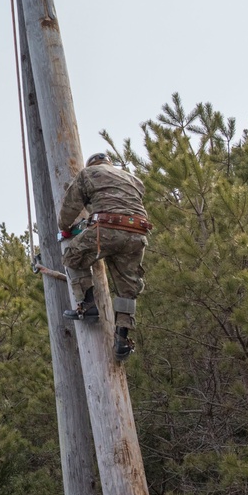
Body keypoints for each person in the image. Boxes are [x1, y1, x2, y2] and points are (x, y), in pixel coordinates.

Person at [59, 152, 151, 361]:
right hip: (138, 232)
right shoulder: (133, 179)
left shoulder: (88, 174)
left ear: (93, 164)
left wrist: (65, 227)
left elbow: (69, 209)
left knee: (72, 256)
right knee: (128, 286)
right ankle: (122, 340)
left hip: (107, 229)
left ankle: (88, 305)